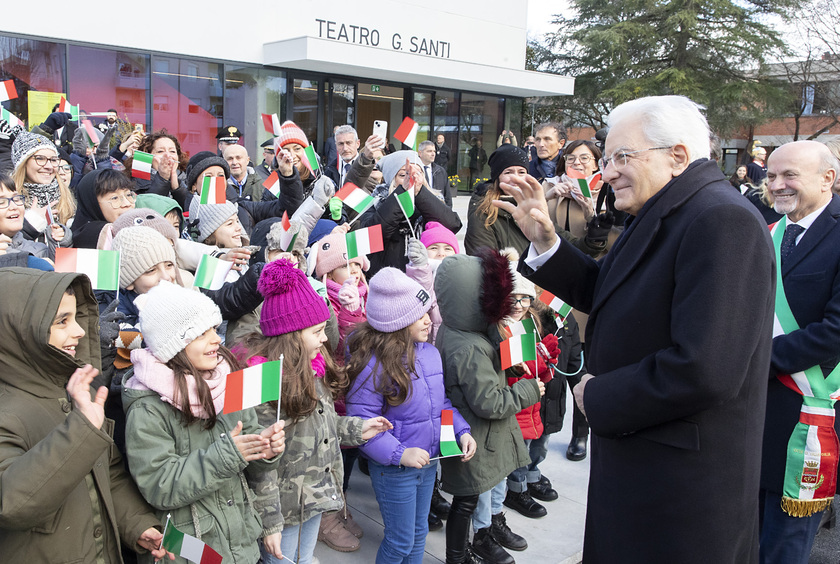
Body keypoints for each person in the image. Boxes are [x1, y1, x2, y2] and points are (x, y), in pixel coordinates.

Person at [497, 95, 776, 563]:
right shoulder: (670, 210)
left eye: (623, 157)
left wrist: (597, 397)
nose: (607, 172)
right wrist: (545, 240)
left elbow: (706, 369)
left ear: (678, 156)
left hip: (680, 490)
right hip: (646, 462)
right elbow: (609, 292)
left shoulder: (721, 221)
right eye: (608, 159)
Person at [0, 268, 170, 562]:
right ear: (21, 333)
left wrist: (137, 523)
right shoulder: (7, 410)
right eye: (61, 321)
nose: (79, 331)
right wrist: (80, 430)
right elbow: (11, 503)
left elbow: (108, 474)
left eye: (76, 318)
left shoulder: (77, 389)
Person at [234, 259, 392, 563]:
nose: (324, 339)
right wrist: (270, 522)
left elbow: (323, 424)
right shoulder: (262, 384)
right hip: (283, 508)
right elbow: (260, 465)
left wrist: (358, 428)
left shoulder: (314, 369)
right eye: (318, 331)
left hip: (315, 495)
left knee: (304, 559)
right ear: (291, 335)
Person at [122, 281, 285, 564]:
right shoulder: (147, 408)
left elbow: (246, 435)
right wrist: (227, 455)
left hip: (240, 541)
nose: (217, 339)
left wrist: (264, 446)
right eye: (201, 333)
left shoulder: (224, 378)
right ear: (174, 344)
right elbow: (159, 484)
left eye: (214, 328)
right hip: (191, 550)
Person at [345, 268, 476, 564]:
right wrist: (400, 454)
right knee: (400, 541)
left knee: (418, 535)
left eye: (428, 311)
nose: (429, 320)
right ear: (398, 321)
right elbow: (363, 427)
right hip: (394, 470)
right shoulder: (373, 366)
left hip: (428, 464)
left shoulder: (430, 354)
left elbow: (441, 404)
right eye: (420, 315)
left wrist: (460, 431)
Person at [434, 248, 544, 564]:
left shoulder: (460, 327)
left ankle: (473, 544)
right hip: (474, 435)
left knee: (469, 498)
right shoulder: (468, 349)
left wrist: (508, 353)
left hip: (470, 431)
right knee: (466, 501)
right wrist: (528, 390)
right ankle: (458, 556)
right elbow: (490, 403)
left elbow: (491, 336)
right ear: (474, 298)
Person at [759, 140, 840, 564]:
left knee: (784, 546)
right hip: (751, 410)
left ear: (828, 178)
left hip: (805, 415)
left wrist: (755, 362)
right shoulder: (764, 230)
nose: (777, 185)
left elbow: (836, 330)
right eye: (771, 176)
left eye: (789, 175)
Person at [466, 144, 609, 259]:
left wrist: (594, 239)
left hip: (539, 289)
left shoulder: (531, 206)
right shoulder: (484, 209)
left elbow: (569, 247)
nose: (516, 178)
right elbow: (484, 260)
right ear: (497, 177)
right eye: (508, 172)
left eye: (521, 172)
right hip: (515, 292)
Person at [357, 149, 462, 277]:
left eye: (417, 173)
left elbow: (452, 225)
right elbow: (371, 237)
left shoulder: (433, 202)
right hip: (387, 279)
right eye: (403, 175)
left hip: (424, 280)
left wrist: (420, 193)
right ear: (392, 179)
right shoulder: (375, 203)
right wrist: (402, 194)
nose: (411, 178)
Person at [10, 130, 75, 247]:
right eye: (40, 159)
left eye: (54, 160)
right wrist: (30, 224)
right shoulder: (7, 200)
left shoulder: (68, 198)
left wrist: (65, 237)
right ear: (23, 163)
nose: (49, 166)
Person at [71, 168, 137, 248]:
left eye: (129, 195)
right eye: (115, 198)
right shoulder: (91, 238)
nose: (127, 204)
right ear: (92, 203)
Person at [418, 140, 453, 207]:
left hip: (438, 212)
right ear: (420, 153)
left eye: (434, 151)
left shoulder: (440, 171)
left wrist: (448, 213)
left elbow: (447, 196)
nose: (433, 154)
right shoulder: (414, 170)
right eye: (429, 151)